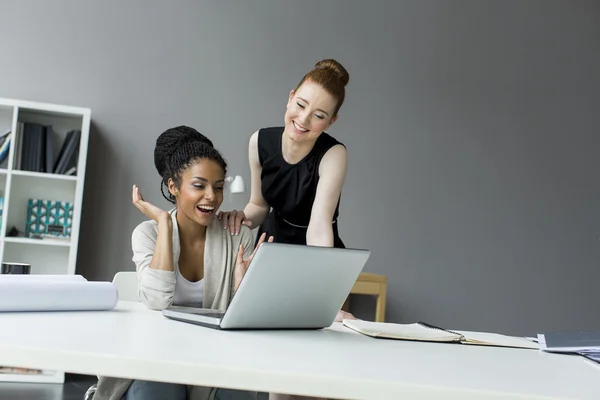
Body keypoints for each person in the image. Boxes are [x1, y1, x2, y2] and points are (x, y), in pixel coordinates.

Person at [93, 125, 272, 400]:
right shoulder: (147, 234)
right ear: (173, 186)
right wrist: (164, 223)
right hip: (156, 353)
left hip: (216, 357)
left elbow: (245, 325)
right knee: (154, 391)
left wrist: (242, 291)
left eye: (219, 187)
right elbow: (156, 301)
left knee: (238, 394)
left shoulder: (238, 237)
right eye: (199, 186)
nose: (212, 197)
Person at [217, 59, 355, 323]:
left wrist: (323, 295)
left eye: (319, 115)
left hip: (318, 250)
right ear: (290, 98)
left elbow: (319, 225)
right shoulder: (259, 141)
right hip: (271, 245)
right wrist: (241, 219)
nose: (303, 119)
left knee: (319, 329)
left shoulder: (333, 154)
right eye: (301, 105)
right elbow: (258, 205)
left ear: (331, 121)